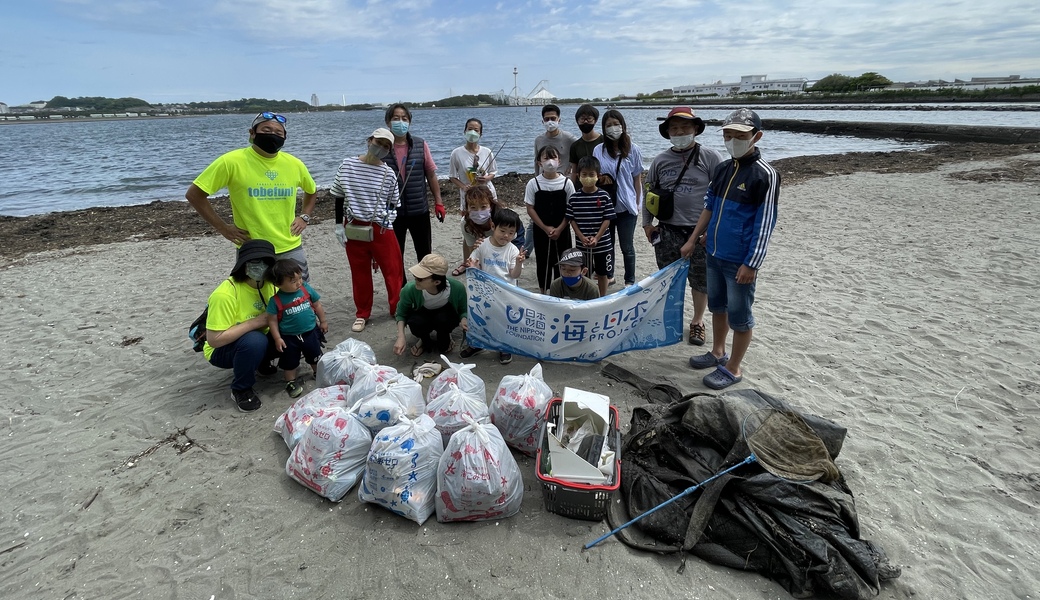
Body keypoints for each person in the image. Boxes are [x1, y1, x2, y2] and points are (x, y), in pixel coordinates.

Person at [682, 109, 779, 390]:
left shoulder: (766, 175)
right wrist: (694, 238)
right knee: (718, 307)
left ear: (756, 137)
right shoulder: (724, 168)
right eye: (728, 135)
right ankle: (717, 351)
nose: (733, 140)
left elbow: (765, 223)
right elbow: (710, 206)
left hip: (740, 260)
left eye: (740, 136)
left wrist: (752, 263)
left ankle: (734, 367)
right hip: (713, 253)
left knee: (740, 315)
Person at [186, 112, 318, 280]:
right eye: (266, 130)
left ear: (285, 137)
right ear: (252, 133)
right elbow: (195, 194)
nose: (272, 135)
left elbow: (311, 190)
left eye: (278, 133)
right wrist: (223, 228)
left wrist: (304, 216)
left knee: (298, 297)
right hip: (253, 247)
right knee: (257, 300)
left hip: (290, 245)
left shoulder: (294, 164)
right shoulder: (231, 161)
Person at [643, 107, 724, 347]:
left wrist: (712, 229)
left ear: (696, 129)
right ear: (667, 132)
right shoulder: (660, 160)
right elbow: (648, 194)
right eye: (674, 128)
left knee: (700, 280)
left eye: (685, 128)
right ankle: (669, 318)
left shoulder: (710, 157)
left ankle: (698, 321)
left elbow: (721, 196)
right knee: (668, 277)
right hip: (667, 229)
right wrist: (647, 224)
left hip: (699, 232)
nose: (680, 132)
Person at [330, 128, 404, 333]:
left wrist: (391, 217)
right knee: (359, 272)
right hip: (354, 227)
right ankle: (362, 313)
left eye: (386, 146)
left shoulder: (388, 173)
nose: (380, 148)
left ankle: (396, 309)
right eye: (378, 142)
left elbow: (393, 203)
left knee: (393, 270)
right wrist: (338, 225)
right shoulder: (348, 165)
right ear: (369, 140)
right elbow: (338, 196)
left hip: (381, 228)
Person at [201, 239, 279, 412]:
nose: (260, 266)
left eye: (266, 262)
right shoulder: (225, 294)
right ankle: (241, 388)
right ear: (243, 265)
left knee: (296, 325)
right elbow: (214, 340)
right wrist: (257, 321)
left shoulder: (272, 286)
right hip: (222, 349)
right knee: (254, 340)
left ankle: (261, 362)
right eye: (254, 262)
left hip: (261, 336)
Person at [382, 103, 447, 283]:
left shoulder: (420, 144)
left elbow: (431, 174)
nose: (400, 122)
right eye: (396, 118)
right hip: (392, 213)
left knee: (425, 253)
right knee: (395, 255)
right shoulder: (382, 147)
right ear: (388, 122)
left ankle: (426, 288)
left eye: (404, 118)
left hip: (419, 210)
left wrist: (439, 202)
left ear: (409, 122)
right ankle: (401, 292)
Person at [460, 208, 526, 364]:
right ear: (493, 226)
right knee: (479, 318)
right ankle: (476, 344)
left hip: (505, 294)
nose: (506, 236)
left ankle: (504, 347)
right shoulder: (483, 245)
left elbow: (514, 275)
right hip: (484, 292)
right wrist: (473, 265)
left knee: (503, 321)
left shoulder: (513, 250)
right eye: (502, 231)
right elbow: (474, 264)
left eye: (511, 233)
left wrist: (518, 263)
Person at [593, 109, 644, 287]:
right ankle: (609, 275)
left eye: (616, 124)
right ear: (603, 128)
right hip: (606, 206)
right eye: (608, 125)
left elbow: (637, 179)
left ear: (623, 125)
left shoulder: (633, 149)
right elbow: (595, 177)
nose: (613, 128)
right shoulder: (598, 150)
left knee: (627, 246)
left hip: (628, 206)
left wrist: (638, 203)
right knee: (608, 245)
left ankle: (630, 280)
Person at [265, 259, 328, 399]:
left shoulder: (306, 289)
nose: (299, 282)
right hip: (289, 337)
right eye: (293, 281)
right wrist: (277, 338)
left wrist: (323, 321)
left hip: (310, 332)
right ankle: (290, 382)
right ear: (278, 284)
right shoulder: (275, 300)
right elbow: (272, 321)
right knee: (289, 362)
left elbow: (317, 305)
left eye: (300, 278)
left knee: (315, 355)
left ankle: (318, 374)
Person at [448, 118, 499, 275]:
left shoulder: (487, 151)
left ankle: (490, 261)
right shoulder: (457, 153)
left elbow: (494, 172)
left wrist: (487, 178)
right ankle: (467, 262)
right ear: (464, 131)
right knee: (469, 228)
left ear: (481, 133)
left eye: (476, 130)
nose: (473, 132)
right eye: (470, 129)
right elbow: (452, 176)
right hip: (468, 197)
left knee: (491, 226)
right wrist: (464, 187)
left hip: (487, 195)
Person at [393, 254, 468, 357]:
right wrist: (401, 336)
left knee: (443, 347)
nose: (415, 279)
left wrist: (463, 319)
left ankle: (446, 334)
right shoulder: (410, 289)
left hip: (445, 316)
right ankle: (424, 339)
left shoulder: (457, 288)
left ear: (436, 282)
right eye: (416, 276)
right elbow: (401, 313)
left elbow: (463, 310)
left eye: (420, 278)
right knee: (417, 323)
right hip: (422, 315)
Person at [525, 146, 575, 293]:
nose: (550, 162)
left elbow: (570, 209)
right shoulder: (533, 183)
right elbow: (530, 208)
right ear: (539, 162)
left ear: (559, 161)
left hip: (563, 229)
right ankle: (543, 292)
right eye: (546, 158)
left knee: (563, 261)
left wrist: (559, 228)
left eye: (553, 158)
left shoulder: (567, 183)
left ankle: (561, 290)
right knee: (543, 262)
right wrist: (545, 227)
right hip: (541, 230)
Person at [567, 155, 615, 296]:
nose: (588, 177)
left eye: (591, 174)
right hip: (583, 244)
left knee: (602, 273)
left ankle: (602, 297)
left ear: (598, 176)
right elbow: (572, 219)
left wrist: (597, 238)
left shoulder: (604, 196)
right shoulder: (574, 198)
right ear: (578, 175)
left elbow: (607, 219)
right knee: (584, 272)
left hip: (602, 244)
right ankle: (587, 296)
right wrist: (581, 237)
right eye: (584, 174)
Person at [534, 104, 577, 177]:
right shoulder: (538, 140)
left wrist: (573, 167)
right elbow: (536, 162)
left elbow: (580, 152)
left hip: (564, 179)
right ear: (543, 121)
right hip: (544, 180)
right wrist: (536, 179)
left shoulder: (569, 138)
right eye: (547, 119)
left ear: (559, 120)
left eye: (553, 118)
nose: (550, 122)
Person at [568, 103, 603, 182]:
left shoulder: (604, 141)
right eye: (582, 119)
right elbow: (574, 171)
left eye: (589, 118)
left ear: (595, 120)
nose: (586, 122)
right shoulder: (575, 146)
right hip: (582, 187)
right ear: (577, 121)